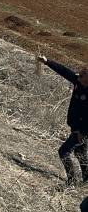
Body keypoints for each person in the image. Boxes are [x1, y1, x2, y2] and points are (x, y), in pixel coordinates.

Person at [36, 54, 88, 185]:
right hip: (77, 126)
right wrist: (47, 62)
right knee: (80, 152)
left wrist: (82, 132)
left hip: (83, 129)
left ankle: (72, 181)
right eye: (83, 70)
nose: (81, 72)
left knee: (63, 152)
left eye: (85, 73)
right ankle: (87, 179)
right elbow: (64, 71)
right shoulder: (78, 81)